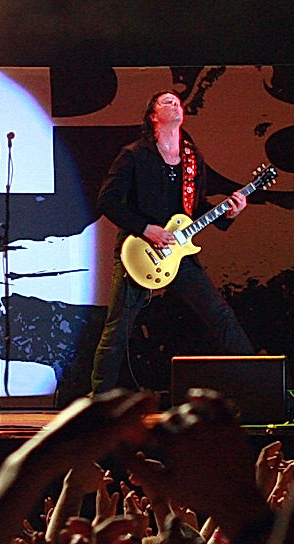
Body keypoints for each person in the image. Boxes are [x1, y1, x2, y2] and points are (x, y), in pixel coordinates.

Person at [90, 90, 254, 394]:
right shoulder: (134, 155)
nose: (175, 104)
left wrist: (229, 213)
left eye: (178, 102)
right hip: (137, 252)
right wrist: (145, 228)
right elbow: (108, 201)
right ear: (153, 116)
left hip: (179, 255)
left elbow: (195, 209)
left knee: (220, 316)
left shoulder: (193, 159)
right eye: (166, 102)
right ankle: (96, 402)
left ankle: (261, 387)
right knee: (117, 330)